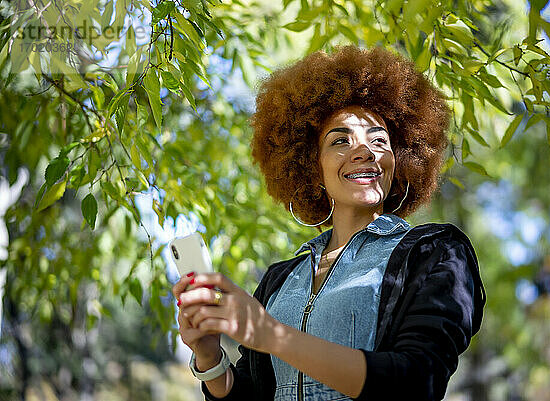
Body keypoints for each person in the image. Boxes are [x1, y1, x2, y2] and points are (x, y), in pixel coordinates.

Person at [172, 45, 486, 401]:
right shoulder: (279, 280)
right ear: (312, 167)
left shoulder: (435, 252)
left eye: (379, 140)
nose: (364, 150)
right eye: (341, 140)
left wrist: (270, 333)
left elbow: (416, 382)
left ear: (399, 161)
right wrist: (210, 357)